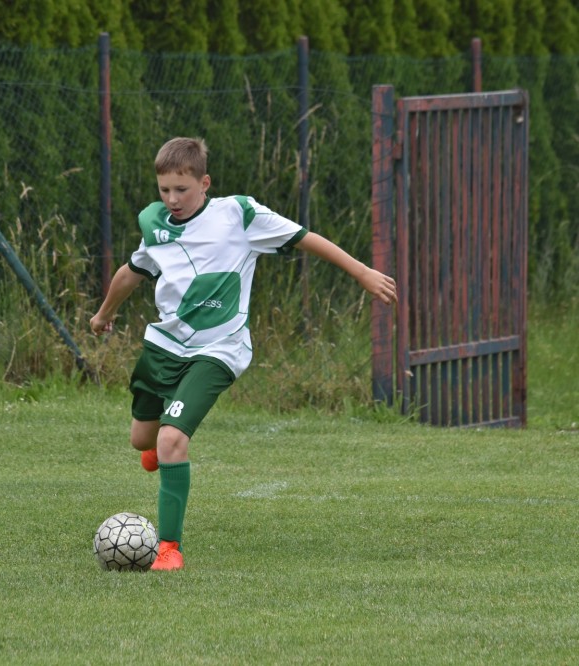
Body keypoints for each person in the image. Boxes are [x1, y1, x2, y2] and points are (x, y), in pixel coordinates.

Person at [90, 137, 397, 571]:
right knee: (143, 440)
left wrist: (362, 272)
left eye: (182, 189)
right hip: (164, 346)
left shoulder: (238, 215)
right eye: (164, 190)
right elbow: (132, 271)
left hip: (219, 349)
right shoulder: (155, 225)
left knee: (172, 439)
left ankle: (169, 547)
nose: (172, 199)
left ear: (205, 183)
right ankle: (159, 448)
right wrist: (103, 314)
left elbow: (305, 238)